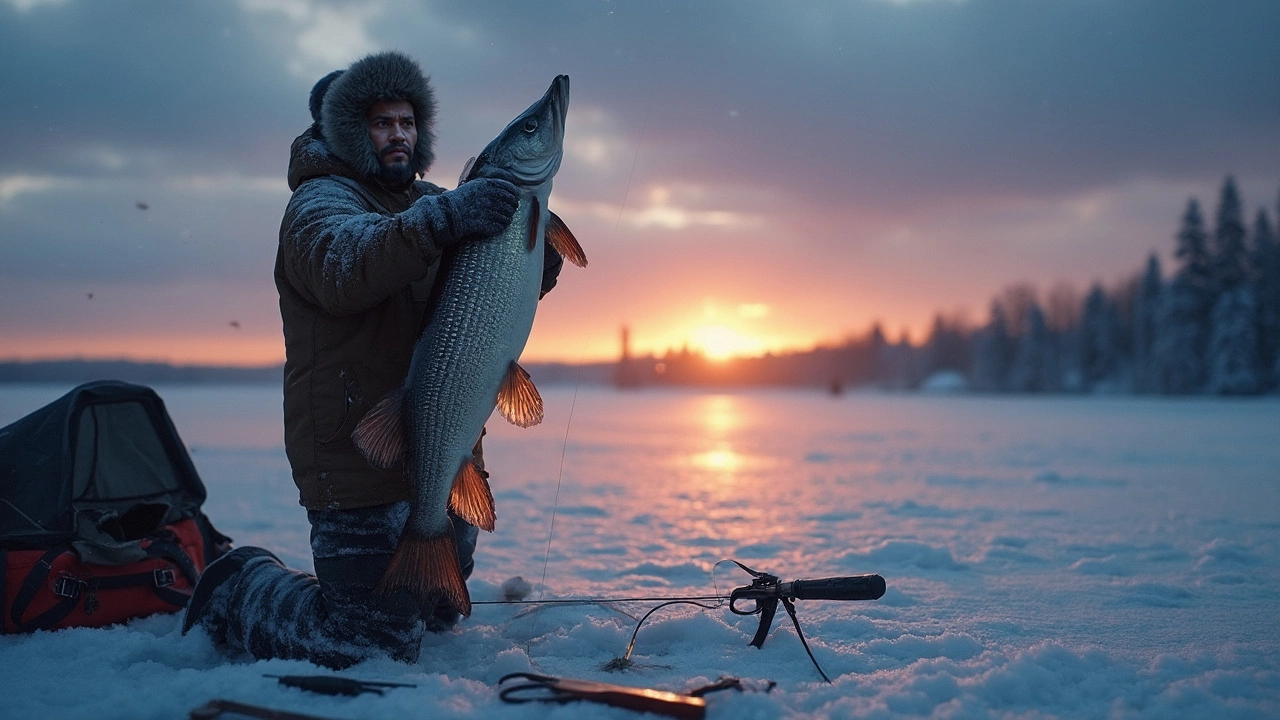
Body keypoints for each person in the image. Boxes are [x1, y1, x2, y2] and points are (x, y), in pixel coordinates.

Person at [182, 51, 563, 668]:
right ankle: (238, 584)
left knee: (435, 614)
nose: (398, 135)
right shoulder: (319, 205)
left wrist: (531, 263)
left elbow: (479, 296)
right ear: (349, 133)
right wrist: (440, 221)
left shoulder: (437, 201)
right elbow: (346, 266)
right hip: (355, 454)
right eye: (382, 123)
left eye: (408, 123)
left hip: (439, 446)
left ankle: (397, 583)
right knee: (367, 645)